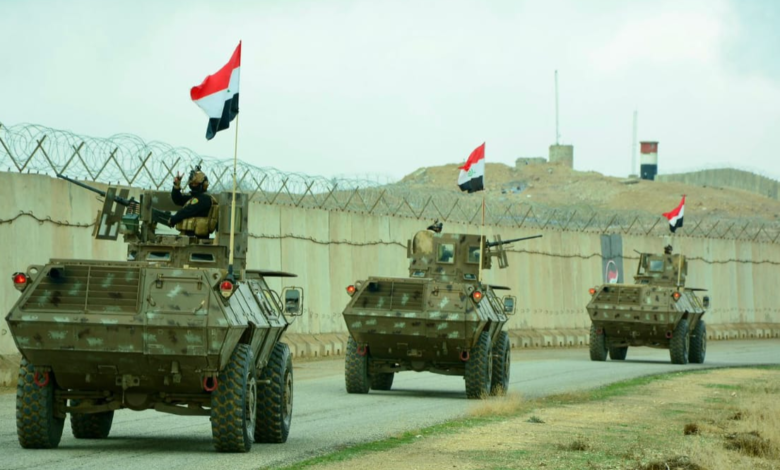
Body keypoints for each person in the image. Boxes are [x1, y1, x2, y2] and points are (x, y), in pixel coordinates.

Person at [168, 166, 214, 232]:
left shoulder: (204, 199)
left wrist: (173, 219)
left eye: (195, 184)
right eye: (192, 183)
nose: (193, 185)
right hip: (189, 234)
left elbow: (188, 210)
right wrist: (176, 186)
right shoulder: (196, 197)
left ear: (203, 184)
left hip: (196, 236)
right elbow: (178, 200)